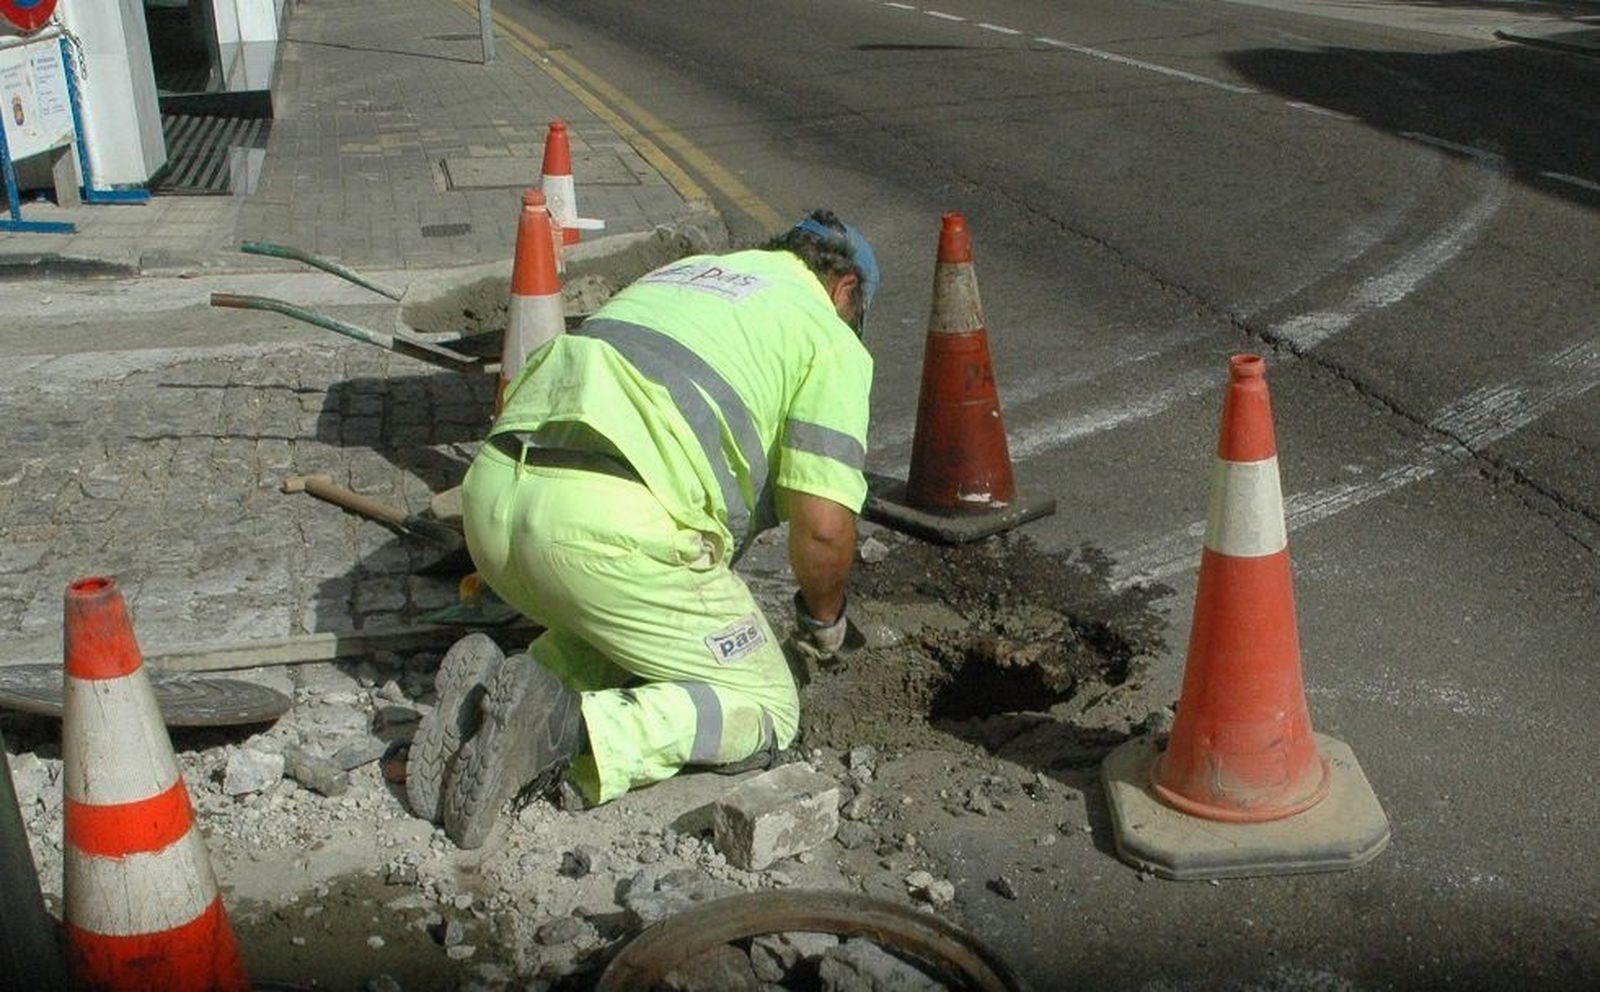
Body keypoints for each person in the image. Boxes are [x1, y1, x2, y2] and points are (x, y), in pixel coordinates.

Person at [405, 209, 880, 849]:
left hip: (494, 507)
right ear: (846, 288)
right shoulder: (827, 332)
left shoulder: (686, 274)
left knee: (625, 634)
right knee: (769, 707)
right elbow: (824, 529)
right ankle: (572, 731)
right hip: (606, 530)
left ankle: (485, 708)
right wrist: (824, 621)